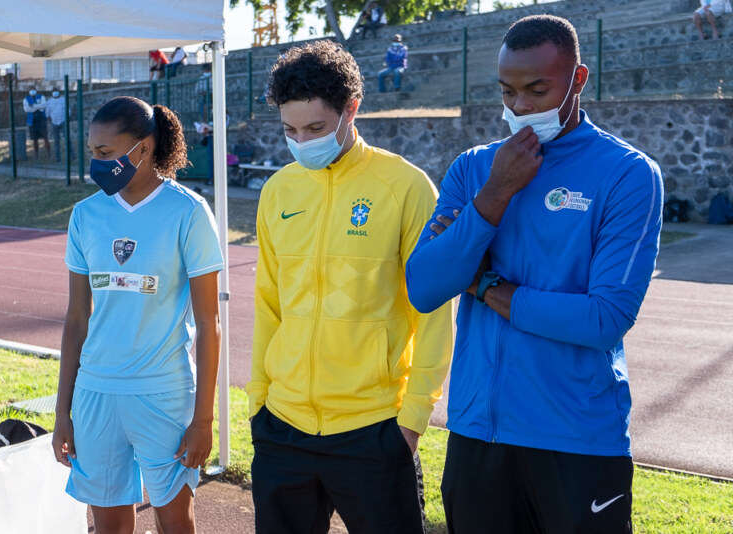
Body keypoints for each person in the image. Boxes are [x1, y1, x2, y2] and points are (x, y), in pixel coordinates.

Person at [405, 15, 663, 533]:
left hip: (577, 441)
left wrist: (484, 284)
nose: (519, 107)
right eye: (506, 91)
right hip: (477, 435)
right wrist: (494, 195)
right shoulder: (474, 168)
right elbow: (425, 287)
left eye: (536, 89)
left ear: (578, 80)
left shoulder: (628, 174)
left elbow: (602, 319)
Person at [247, 40, 453, 534]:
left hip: (374, 431)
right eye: (290, 130)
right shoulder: (278, 190)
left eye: (316, 128)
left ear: (352, 110)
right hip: (282, 428)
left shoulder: (405, 186)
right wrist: (258, 401)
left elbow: (432, 312)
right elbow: (269, 306)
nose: (302, 140)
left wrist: (412, 419)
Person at [52, 96, 224, 534]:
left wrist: (203, 419)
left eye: (106, 154)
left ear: (143, 148)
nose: (96, 162)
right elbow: (76, 321)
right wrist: (62, 412)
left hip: (162, 392)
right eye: (92, 152)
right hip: (95, 394)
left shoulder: (188, 212)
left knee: (175, 525)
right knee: (108, 527)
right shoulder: (85, 215)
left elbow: (209, 324)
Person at [23, 86, 50, 159]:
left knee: (45, 137)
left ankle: (49, 154)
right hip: (32, 121)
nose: (32, 91)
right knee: (34, 139)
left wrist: (33, 106)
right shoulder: (26, 99)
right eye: (31, 89)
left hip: (41, 120)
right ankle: (36, 155)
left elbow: (44, 106)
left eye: (33, 89)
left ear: (36, 90)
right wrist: (38, 107)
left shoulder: (41, 97)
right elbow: (26, 109)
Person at [45, 89, 72, 163]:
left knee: (67, 139)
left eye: (56, 91)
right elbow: (47, 113)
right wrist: (50, 121)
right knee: (56, 142)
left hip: (63, 122)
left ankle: (72, 155)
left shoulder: (63, 100)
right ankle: (58, 158)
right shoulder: (49, 101)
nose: (55, 93)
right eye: (54, 91)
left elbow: (68, 111)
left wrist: (66, 118)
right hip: (54, 123)